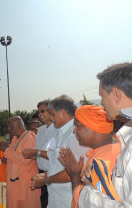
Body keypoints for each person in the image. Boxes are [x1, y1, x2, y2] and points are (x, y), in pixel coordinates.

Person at [70, 62, 132, 207]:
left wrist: (85, 193)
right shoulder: (125, 137)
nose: (102, 103)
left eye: (102, 96)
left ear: (116, 95)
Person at [23, 95, 89, 208]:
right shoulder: (61, 133)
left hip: (68, 198)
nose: (51, 118)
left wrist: (45, 180)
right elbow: (57, 165)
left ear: (63, 113)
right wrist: (45, 175)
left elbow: (75, 172)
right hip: (56, 197)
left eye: (53, 114)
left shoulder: (74, 135)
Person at [58, 105, 121, 207]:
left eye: (78, 126)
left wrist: (74, 175)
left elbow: (89, 203)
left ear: (94, 126)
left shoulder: (103, 159)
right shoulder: (106, 149)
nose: (74, 131)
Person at [0, 116, 41, 208]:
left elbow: (25, 160)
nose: (9, 129)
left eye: (11, 127)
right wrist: (7, 160)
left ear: (20, 127)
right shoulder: (15, 139)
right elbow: (15, 157)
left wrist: (6, 150)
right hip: (16, 186)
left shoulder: (30, 137)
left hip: (26, 184)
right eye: (9, 127)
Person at [35, 100, 59, 208]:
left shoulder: (58, 129)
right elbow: (38, 151)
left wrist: (37, 152)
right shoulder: (40, 130)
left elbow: (53, 153)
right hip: (41, 172)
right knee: (44, 203)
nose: (40, 114)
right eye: (39, 112)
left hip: (54, 173)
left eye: (43, 111)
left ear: (51, 111)